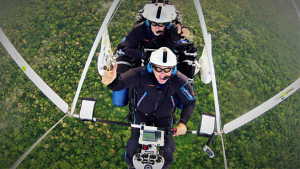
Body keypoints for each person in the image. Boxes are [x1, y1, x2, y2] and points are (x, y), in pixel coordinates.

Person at [102, 47, 195, 169]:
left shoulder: (179, 80)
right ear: (151, 67)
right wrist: (109, 81)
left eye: (167, 70)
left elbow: (189, 102)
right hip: (141, 114)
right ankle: (132, 166)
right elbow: (118, 85)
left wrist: (183, 123)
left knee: (168, 148)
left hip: (164, 117)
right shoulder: (140, 74)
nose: (163, 74)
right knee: (133, 145)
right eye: (158, 69)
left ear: (173, 69)